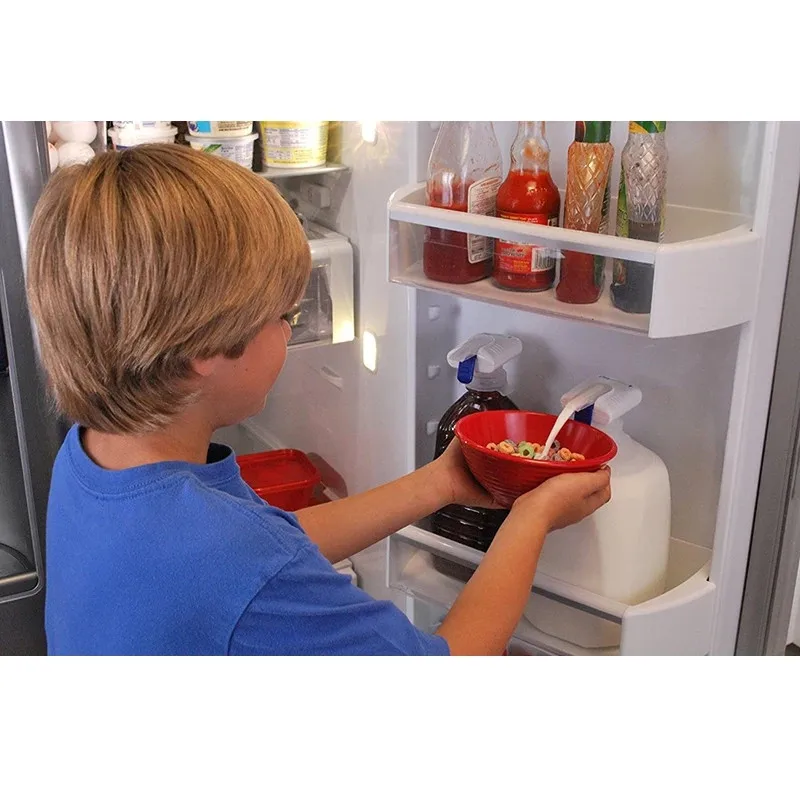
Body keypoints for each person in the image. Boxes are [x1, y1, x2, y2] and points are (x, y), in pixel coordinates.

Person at [26, 144, 610, 656]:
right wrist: (531, 517)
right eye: (284, 315)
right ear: (203, 346)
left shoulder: (91, 458)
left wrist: (440, 482)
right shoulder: (232, 557)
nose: (289, 331)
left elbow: (268, 551)